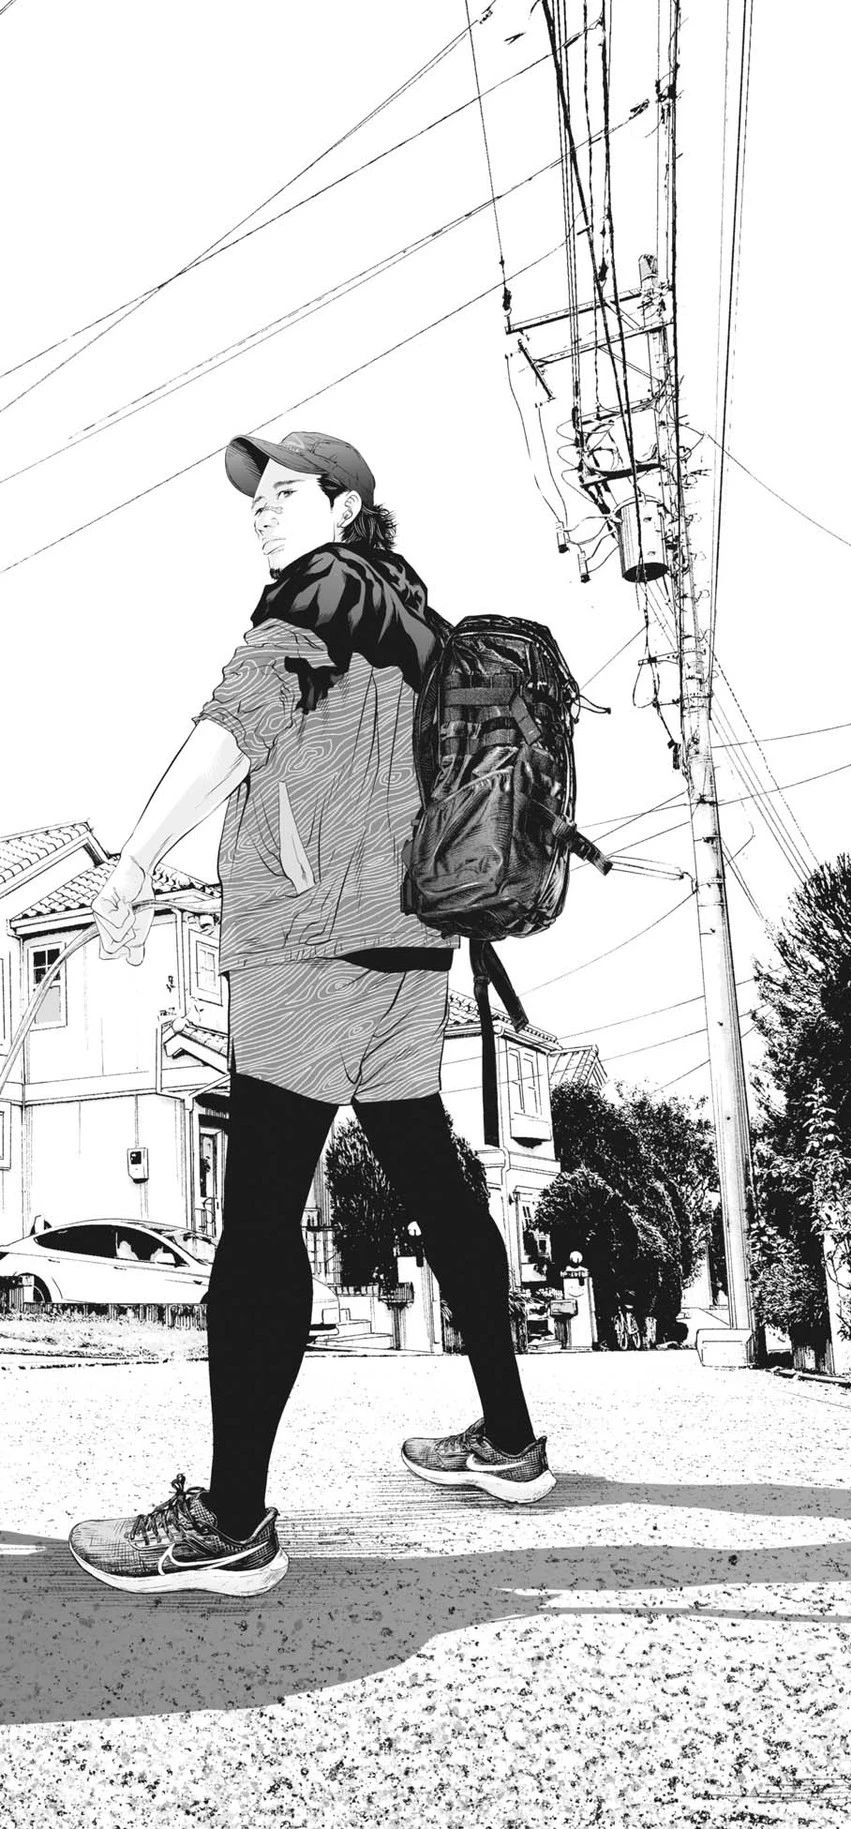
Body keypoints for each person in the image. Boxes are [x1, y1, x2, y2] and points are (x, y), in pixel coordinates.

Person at [69, 430, 555, 1599]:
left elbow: (235, 730)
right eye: (258, 496)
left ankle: (231, 1523)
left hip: (309, 945)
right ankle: (509, 1440)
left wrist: (134, 861)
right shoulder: (418, 619)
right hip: (412, 947)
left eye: (287, 492)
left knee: (258, 1223)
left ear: (344, 506)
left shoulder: (315, 596)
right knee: (437, 1184)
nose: (262, 510)